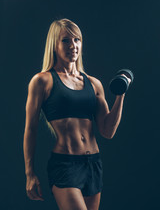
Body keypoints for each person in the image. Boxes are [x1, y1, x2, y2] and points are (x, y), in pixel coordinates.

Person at [23, 18, 131, 210]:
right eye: (65, 40)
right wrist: (29, 173)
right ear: (54, 45)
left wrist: (120, 95)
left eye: (77, 40)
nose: (73, 46)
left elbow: (107, 131)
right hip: (65, 165)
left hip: (93, 164)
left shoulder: (93, 83)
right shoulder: (43, 81)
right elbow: (30, 129)